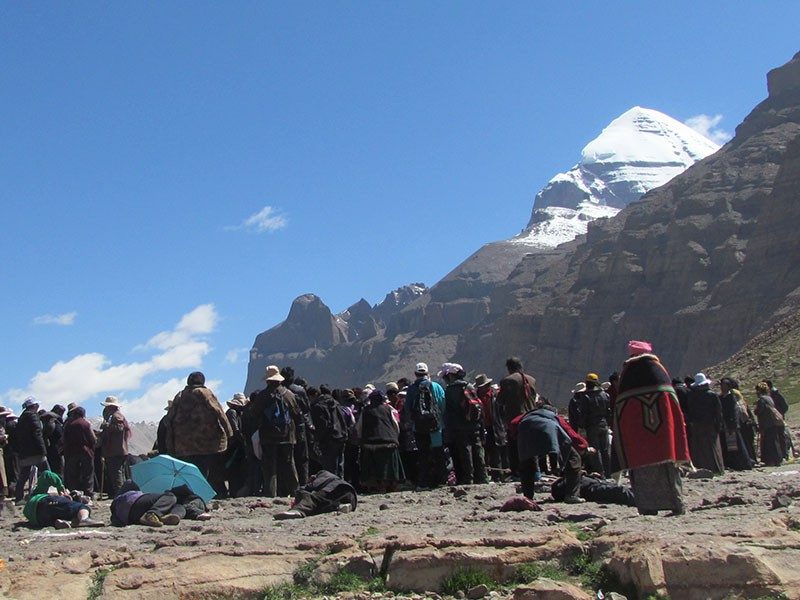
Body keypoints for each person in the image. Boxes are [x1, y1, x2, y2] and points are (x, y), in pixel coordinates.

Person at [613, 340, 690, 516]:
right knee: (668, 469)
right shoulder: (659, 370)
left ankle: (648, 507)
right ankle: (676, 503)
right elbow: (672, 406)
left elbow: (621, 411)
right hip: (664, 436)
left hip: (638, 439)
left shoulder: (628, 374)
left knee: (641, 471)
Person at [165, 372, 233, 498]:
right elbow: (219, 412)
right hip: (207, 442)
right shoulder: (205, 393)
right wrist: (229, 432)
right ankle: (205, 494)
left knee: (192, 470)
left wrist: (171, 441)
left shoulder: (180, 396)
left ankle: (193, 493)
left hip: (184, 444)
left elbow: (169, 419)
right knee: (207, 469)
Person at [513, 398, 583, 503]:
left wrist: (517, 438)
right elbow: (570, 433)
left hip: (526, 431)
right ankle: (571, 495)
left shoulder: (527, 414)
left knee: (527, 464)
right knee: (574, 458)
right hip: (548, 432)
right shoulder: (554, 416)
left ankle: (528, 497)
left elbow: (513, 423)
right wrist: (584, 446)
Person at [248, 365, 301, 497]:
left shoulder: (262, 396)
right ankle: (295, 492)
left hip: (268, 437)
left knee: (269, 468)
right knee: (289, 465)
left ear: (267, 380)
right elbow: (297, 414)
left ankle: (271, 494)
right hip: (288, 436)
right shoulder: (289, 395)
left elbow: (253, 414)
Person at [440, 363, 488, 485]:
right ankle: (482, 477)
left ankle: (468, 478)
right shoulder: (470, 386)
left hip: (459, 427)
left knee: (465, 451)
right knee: (478, 449)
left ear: (450, 376)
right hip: (474, 424)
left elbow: (448, 411)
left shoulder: (450, 390)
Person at [401, 362, 447, 490]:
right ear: (427, 373)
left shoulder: (411, 389)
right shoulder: (436, 387)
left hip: (419, 428)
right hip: (436, 427)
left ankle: (423, 483)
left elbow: (408, 408)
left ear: (415, 374)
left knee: (423, 455)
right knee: (439, 453)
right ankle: (441, 481)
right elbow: (443, 405)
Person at [355, 389, 404, 492]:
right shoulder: (389, 409)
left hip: (370, 444)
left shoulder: (365, 411)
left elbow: (359, 428)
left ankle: (375, 485)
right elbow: (395, 425)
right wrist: (394, 437)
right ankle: (390, 484)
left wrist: (361, 439)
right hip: (389, 442)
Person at [496, 357, 537, 477]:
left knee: (514, 446)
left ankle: (516, 472)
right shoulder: (532, 380)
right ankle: (534, 471)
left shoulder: (507, 381)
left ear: (509, 367)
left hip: (515, 418)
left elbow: (500, 401)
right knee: (530, 445)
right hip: (531, 416)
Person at [23, 470, 103, 529]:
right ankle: (84, 519)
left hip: (38, 518)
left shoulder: (29, 504)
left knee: (59, 515)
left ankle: (57, 523)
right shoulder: (39, 494)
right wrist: (60, 488)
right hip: (44, 501)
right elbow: (47, 474)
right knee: (81, 507)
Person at [111, 480, 210, 527]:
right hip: (132, 503)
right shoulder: (169, 496)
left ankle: (169, 517)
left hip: (130, 516)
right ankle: (152, 514)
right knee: (171, 497)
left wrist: (198, 515)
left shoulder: (174, 504)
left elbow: (185, 508)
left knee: (179, 507)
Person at [686, 373, 724, 474]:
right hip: (710, 424)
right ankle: (715, 468)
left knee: (698, 446)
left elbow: (690, 410)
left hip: (697, 425)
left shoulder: (691, 396)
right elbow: (718, 412)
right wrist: (719, 425)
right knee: (712, 446)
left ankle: (699, 467)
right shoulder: (712, 395)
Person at [15, 397, 49, 502]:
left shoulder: (21, 418)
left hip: (24, 451)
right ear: (34, 406)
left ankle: (19, 497)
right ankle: (45, 494)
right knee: (47, 473)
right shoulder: (33, 416)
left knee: (24, 475)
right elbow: (37, 433)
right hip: (36, 451)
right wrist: (43, 449)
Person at [310, 385, 348, 478]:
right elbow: (342, 420)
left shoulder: (318, 406)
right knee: (340, 465)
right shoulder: (336, 403)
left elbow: (323, 425)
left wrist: (316, 439)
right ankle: (341, 486)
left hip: (328, 439)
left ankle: (332, 488)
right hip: (341, 436)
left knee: (329, 467)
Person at [475, 374, 508, 482]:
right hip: (482, 427)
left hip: (495, 426)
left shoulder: (495, 395)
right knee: (485, 450)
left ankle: (498, 475)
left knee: (496, 450)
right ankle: (487, 474)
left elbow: (502, 411)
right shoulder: (475, 396)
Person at [578, 373, 612, 477]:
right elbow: (608, 411)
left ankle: (600, 473)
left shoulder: (586, 397)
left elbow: (584, 413)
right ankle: (609, 473)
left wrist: (581, 425)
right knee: (605, 450)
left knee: (595, 451)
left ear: (587, 383)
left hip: (592, 426)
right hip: (604, 425)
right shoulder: (605, 395)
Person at [98, 396, 131, 498]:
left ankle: (120, 495)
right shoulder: (114, 416)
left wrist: (106, 426)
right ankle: (122, 494)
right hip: (116, 450)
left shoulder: (116, 416)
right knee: (118, 473)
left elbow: (119, 428)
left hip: (116, 451)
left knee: (117, 474)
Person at [718, 378, 754, 470]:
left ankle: (743, 464)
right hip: (724, 425)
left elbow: (733, 412)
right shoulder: (721, 397)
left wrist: (733, 424)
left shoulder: (731, 397)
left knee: (736, 446)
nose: (722, 387)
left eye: (724, 385)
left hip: (731, 425)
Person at [63, 406, 97, 497]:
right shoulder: (86, 424)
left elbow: (64, 439)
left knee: (73, 474)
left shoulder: (68, 424)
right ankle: (88, 493)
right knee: (88, 473)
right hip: (86, 451)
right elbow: (93, 439)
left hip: (71, 452)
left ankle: (73, 493)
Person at [225, 393, 249, 497]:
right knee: (234, 468)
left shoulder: (235, 412)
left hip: (234, 444)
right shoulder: (232, 412)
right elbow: (235, 429)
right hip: (233, 445)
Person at [754, 382, 784, 467]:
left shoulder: (762, 399)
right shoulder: (769, 398)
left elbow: (759, 411)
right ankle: (777, 459)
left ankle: (770, 460)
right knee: (774, 441)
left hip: (766, 423)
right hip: (773, 422)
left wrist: (756, 409)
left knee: (768, 442)